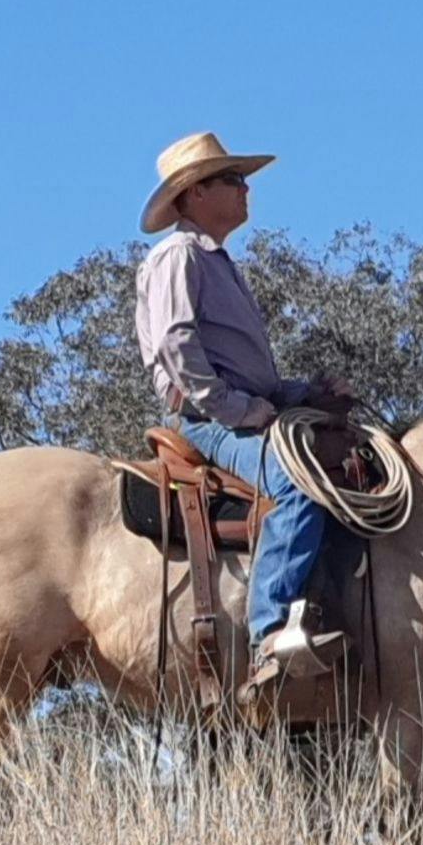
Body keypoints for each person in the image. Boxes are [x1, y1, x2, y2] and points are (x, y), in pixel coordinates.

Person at [133, 130, 349, 684]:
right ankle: (270, 634)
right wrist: (242, 411)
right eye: (233, 179)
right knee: (300, 485)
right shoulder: (178, 257)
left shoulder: (217, 262)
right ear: (196, 193)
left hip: (234, 409)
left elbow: (248, 370)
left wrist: (302, 394)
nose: (246, 188)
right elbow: (178, 348)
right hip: (205, 420)